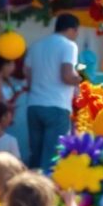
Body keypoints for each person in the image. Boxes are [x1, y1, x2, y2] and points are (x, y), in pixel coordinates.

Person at [25, 14, 82, 169]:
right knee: (52, 159)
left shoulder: (36, 45)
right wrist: (80, 79)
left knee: (35, 156)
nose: (76, 36)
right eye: (76, 32)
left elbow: (27, 74)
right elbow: (67, 76)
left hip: (34, 105)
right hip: (57, 106)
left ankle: (29, 191)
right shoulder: (69, 46)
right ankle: (46, 193)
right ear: (71, 29)